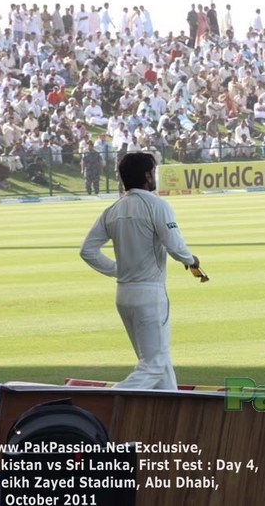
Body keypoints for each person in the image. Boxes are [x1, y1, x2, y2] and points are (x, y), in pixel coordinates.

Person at [79, 152, 200, 390]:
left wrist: (118, 270)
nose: (154, 176)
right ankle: (108, 400)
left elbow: (87, 251)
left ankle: (170, 412)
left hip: (123, 294)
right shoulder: (157, 205)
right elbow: (175, 247)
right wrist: (192, 259)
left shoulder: (112, 210)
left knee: (160, 363)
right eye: (153, 172)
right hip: (149, 295)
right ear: (147, 176)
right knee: (153, 365)